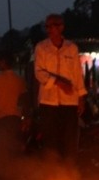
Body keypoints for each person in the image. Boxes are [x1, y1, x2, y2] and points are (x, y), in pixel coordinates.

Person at [33, 13, 87, 168]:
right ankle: (53, 179)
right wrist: (57, 82)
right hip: (48, 102)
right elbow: (39, 72)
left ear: (61, 27)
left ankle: (68, 178)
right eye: (47, 26)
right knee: (51, 142)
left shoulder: (71, 48)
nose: (49, 29)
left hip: (69, 102)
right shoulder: (41, 48)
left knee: (69, 142)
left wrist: (81, 98)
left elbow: (77, 74)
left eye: (53, 25)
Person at [0, 51, 29, 180]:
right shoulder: (19, 79)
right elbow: (24, 101)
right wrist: (25, 119)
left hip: (0, 119)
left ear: (4, 62)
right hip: (14, 119)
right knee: (13, 153)